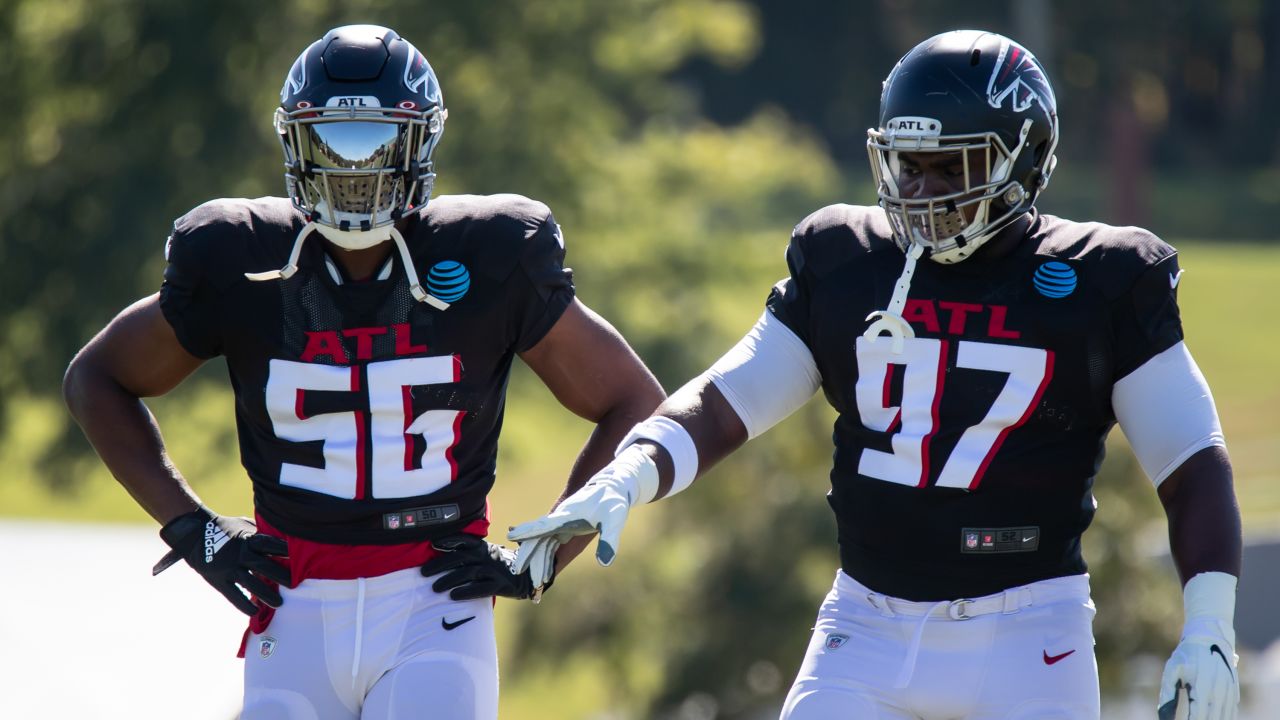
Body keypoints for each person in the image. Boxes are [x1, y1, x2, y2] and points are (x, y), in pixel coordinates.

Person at [508, 30, 1242, 720]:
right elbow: (728, 402)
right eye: (908, 165)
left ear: (1025, 157)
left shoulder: (1101, 277)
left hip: (1029, 633)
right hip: (865, 622)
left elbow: (1190, 459)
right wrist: (627, 475)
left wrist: (1210, 625)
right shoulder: (850, 260)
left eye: (952, 166)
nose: (922, 193)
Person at [62, 24, 664, 720]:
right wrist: (192, 530)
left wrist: (548, 551)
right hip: (292, 604)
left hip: (434, 605)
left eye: (377, 143)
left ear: (421, 143)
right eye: (332, 144)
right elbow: (96, 380)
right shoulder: (240, 260)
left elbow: (633, 401)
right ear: (295, 145)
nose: (355, 171)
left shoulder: (490, 255)